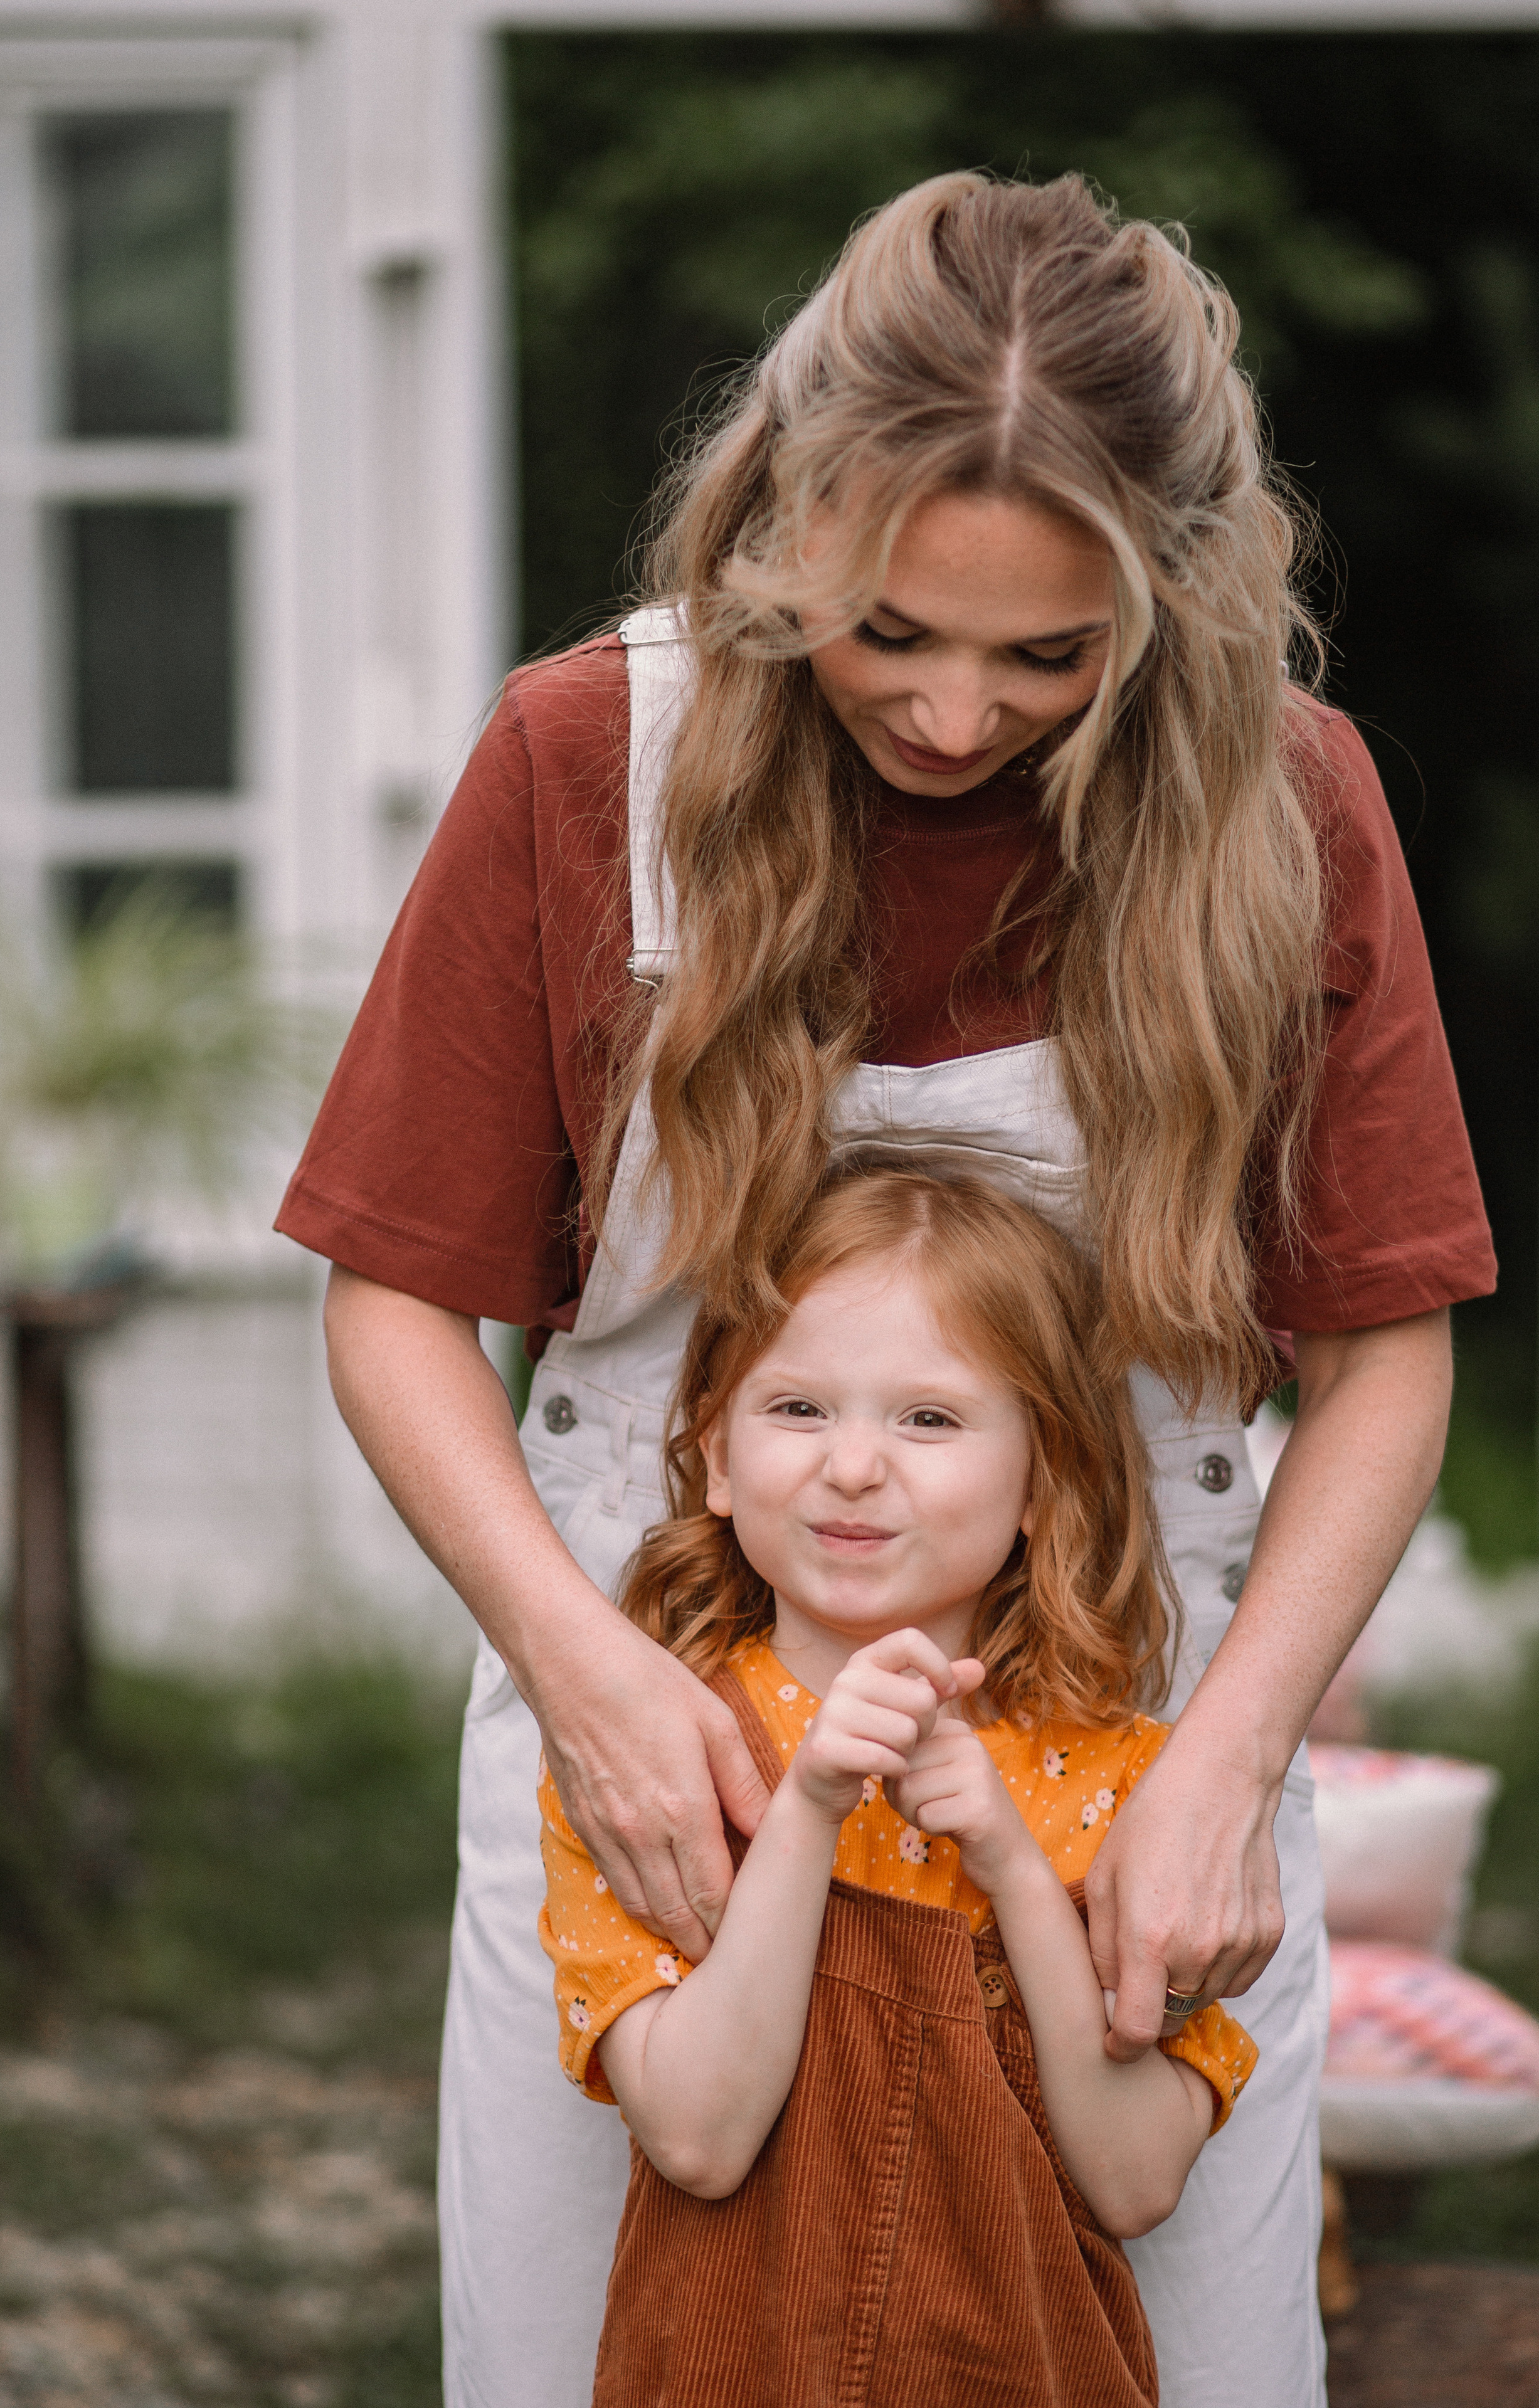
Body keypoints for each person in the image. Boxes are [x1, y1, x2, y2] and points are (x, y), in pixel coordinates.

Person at [276, 170, 1495, 2408]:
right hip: (660, 1752)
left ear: (1180, 596)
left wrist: (1224, 1771)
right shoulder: (584, 765)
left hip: (1139, 1761)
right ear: (783, 529)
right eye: (889, 634)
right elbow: (388, 1310)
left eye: (1052, 657)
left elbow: (1381, 1358)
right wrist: (592, 1685)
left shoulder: (1287, 800)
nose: (953, 718)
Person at [540, 1163, 1259, 2406]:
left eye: (928, 1419)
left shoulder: (1126, 1784)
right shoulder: (652, 1767)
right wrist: (809, 1807)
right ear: (713, 1454)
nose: (854, 1467)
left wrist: (1013, 1870)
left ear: (1043, 1481)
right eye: (798, 1408)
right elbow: (699, 2141)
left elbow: (1134, 2183)